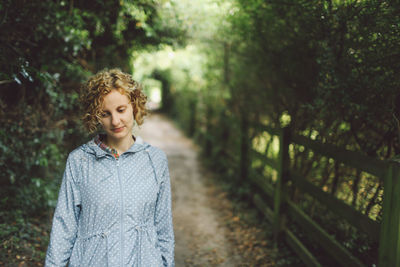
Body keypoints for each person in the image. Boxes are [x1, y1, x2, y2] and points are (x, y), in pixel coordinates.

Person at [45, 69, 175, 267]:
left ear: (134, 105)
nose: (115, 121)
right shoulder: (79, 161)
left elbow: (164, 228)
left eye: (121, 110)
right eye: (105, 114)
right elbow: (64, 226)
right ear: (95, 116)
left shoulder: (155, 160)